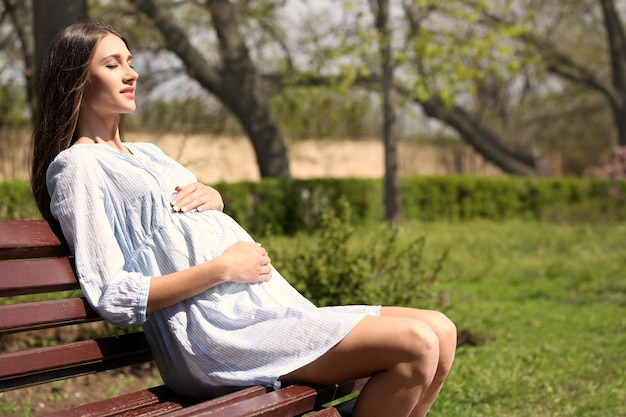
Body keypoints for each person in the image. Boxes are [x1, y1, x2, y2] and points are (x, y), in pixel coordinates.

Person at [30, 21, 456, 417]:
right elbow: (112, 293)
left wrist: (213, 198)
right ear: (76, 79)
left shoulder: (150, 154)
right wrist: (223, 268)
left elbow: (175, 222)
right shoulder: (77, 166)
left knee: (441, 330)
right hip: (214, 338)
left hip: (263, 312)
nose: (131, 73)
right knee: (415, 345)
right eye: (112, 64)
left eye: (131, 61)